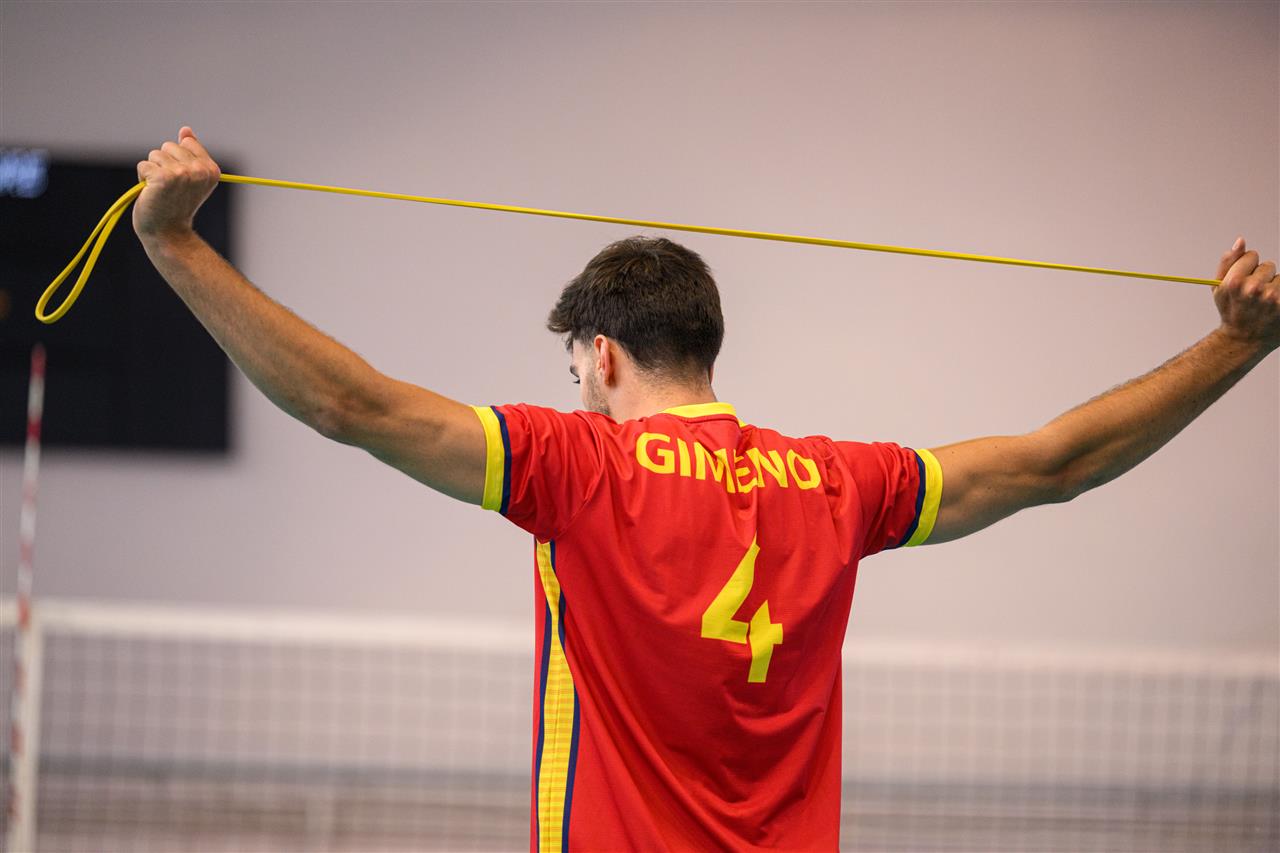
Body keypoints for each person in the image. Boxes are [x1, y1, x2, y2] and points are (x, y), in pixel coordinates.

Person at [132, 127, 1278, 852]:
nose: (575, 388)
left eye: (572, 370)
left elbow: (348, 405)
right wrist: (1233, 346)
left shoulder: (576, 468)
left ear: (601, 356)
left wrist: (178, 245)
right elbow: (1055, 462)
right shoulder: (840, 481)